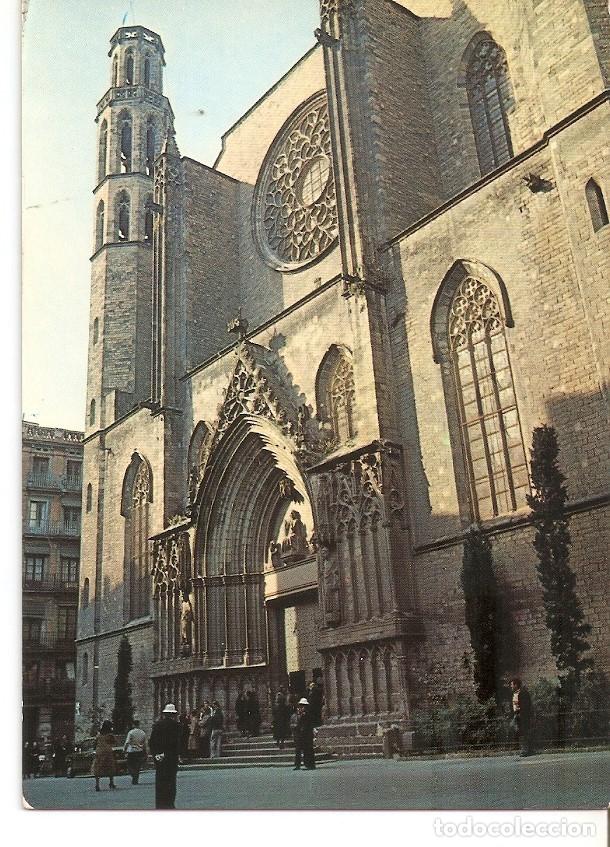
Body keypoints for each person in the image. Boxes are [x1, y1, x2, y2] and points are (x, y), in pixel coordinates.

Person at [149, 702, 182, 809]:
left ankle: (160, 804)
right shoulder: (176, 726)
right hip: (171, 757)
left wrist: (156, 754)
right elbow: (177, 743)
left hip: (159, 758)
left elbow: (152, 742)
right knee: (171, 782)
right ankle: (169, 804)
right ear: (173, 715)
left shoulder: (157, 725)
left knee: (160, 782)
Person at [510, 678, 535, 757]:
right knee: (514, 729)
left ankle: (525, 750)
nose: (511, 686)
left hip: (522, 716)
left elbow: (526, 705)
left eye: (512, 684)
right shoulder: (514, 694)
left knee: (523, 732)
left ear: (516, 685)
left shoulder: (523, 693)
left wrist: (521, 713)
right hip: (516, 715)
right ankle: (523, 748)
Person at [92, 720, 116, 791]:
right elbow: (114, 742)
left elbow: (94, 743)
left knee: (98, 767)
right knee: (110, 767)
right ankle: (111, 782)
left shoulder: (99, 735)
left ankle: (97, 784)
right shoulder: (110, 735)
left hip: (99, 752)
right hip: (108, 752)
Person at [293, 698, 315, 770]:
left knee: (308, 750)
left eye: (302, 706)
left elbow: (306, 725)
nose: (301, 707)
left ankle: (310, 765)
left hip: (307, 735)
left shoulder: (307, 714)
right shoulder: (301, 714)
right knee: (303, 750)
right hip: (303, 735)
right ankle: (304, 764)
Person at [123, 718, 148, 784]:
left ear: (133, 725)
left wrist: (124, 749)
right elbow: (145, 744)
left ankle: (133, 775)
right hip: (140, 751)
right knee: (137, 765)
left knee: (130, 764)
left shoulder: (131, 732)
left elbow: (127, 742)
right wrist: (145, 752)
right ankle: (136, 777)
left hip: (132, 751)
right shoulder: (143, 733)